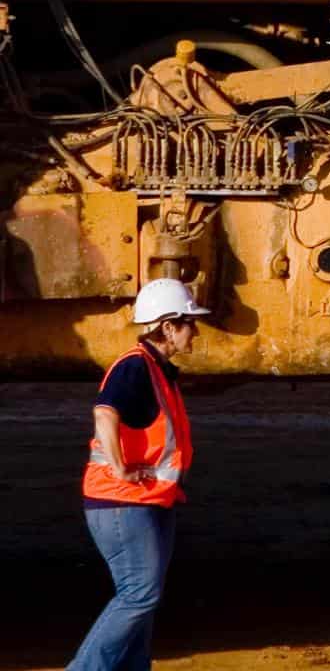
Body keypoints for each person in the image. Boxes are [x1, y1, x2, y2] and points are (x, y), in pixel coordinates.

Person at [68, 278, 209, 671]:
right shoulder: (135, 366)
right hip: (121, 502)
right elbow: (104, 413)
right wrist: (119, 467)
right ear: (168, 327)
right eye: (189, 324)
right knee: (139, 595)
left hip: (148, 501)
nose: (195, 331)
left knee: (141, 595)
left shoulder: (157, 370)